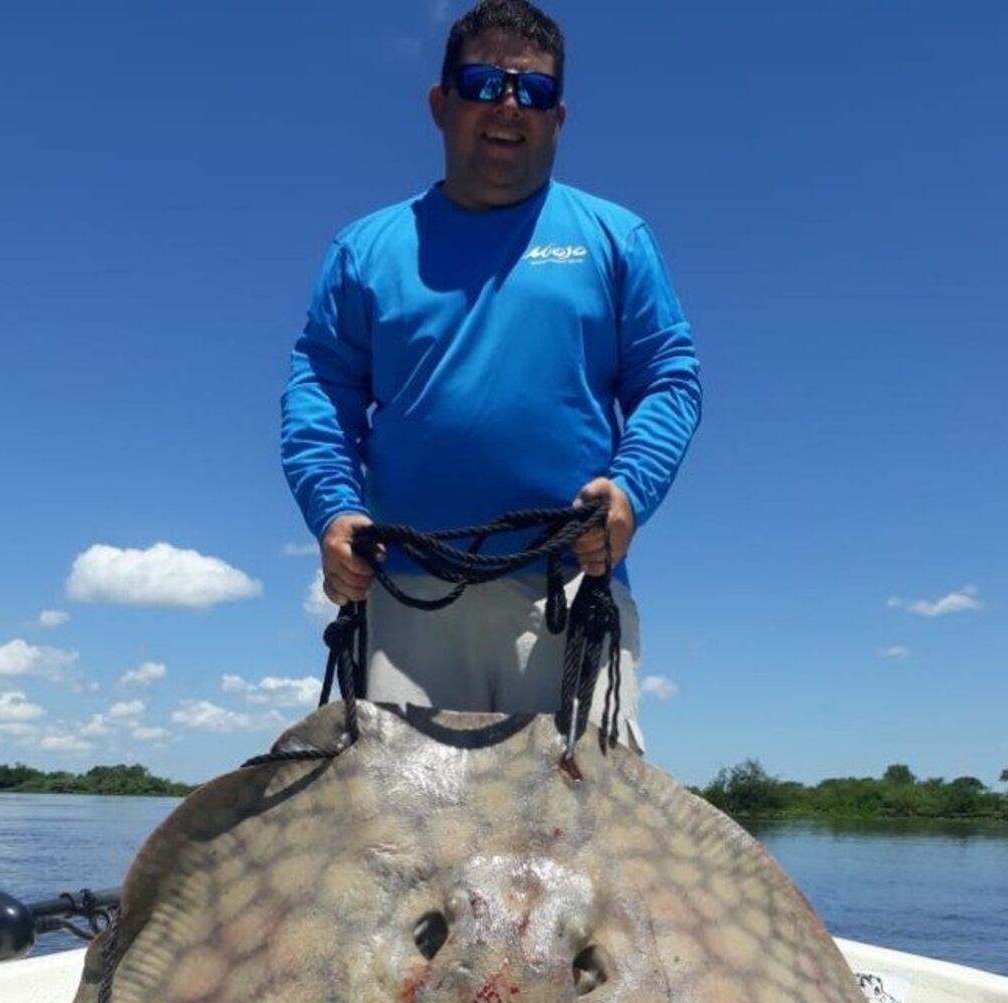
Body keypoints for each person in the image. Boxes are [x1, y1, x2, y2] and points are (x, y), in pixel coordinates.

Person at [281, 0, 701, 751]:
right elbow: (321, 392)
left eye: (534, 91)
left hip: (568, 589)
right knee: (400, 821)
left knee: (580, 814)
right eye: (484, 83)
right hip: (409, 597)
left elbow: (669, 379)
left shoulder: (617, 238)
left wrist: (631, 491)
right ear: (440, 104)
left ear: (558, 117)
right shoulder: (363, 250)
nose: (510, 105)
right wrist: (333, 509)